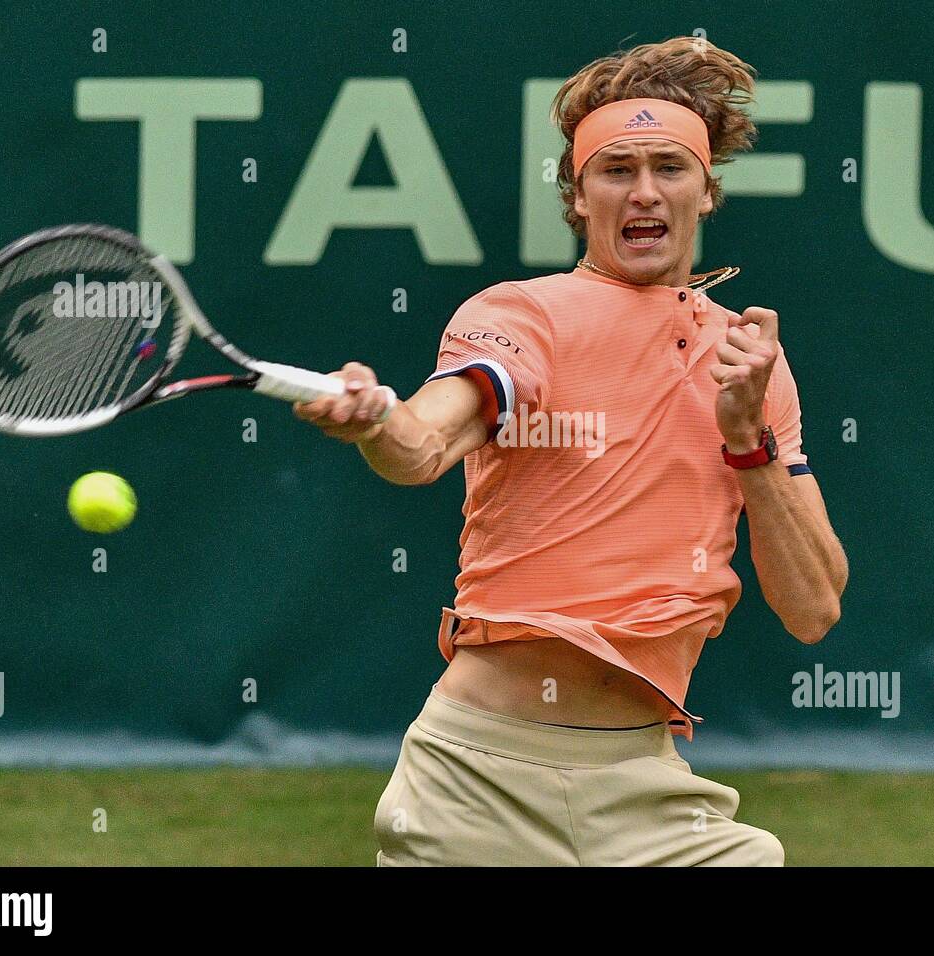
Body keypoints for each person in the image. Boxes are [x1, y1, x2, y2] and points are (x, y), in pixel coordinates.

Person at [294, 36, 848, 866]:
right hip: (476, 781)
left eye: (670, 167)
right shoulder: (526, 316)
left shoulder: (749, 359)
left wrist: (747, 440)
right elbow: (424, 443)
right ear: (578, 196)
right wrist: (379, 420)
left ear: (708, 191)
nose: (645, 192)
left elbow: (813, 609)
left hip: (649, 793)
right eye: (616, 170)